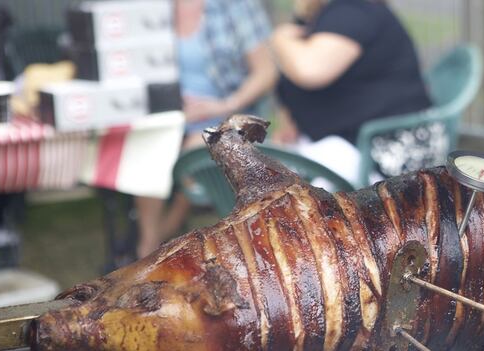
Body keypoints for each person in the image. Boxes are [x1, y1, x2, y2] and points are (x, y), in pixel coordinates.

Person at [135, 0, 277, 258]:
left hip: (228, 113)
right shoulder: (153, 8)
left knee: (193, 150)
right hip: (173, 117)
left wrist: (224, 104)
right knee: (146, 149)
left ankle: (158, 243)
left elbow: (266, 72)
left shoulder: (237, 6)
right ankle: (150, 244)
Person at [270, 0, 432, 186]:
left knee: (272, 187)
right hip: (348, 141)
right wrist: (292, 118)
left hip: (382, 157)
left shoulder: (354, 10)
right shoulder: (335, 12)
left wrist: (280, 38)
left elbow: (310, 70)